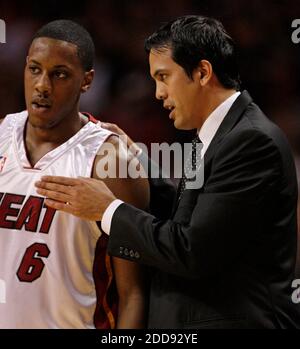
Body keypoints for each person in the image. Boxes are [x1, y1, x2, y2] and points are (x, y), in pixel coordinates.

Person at [35, 15, 299, 328]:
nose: (158, 93)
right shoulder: (214, 135)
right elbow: (186, 216)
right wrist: (137, 159)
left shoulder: (251, 141)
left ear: (202, 72)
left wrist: (108, 209)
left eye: (163, 77)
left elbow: (191, 250)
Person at [0, 19, 150, 329]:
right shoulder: (1, 134)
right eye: (35, 70)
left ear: (86, 81)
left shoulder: (110, 163)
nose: (43, 85)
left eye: (60, 74)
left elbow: (133, 293)